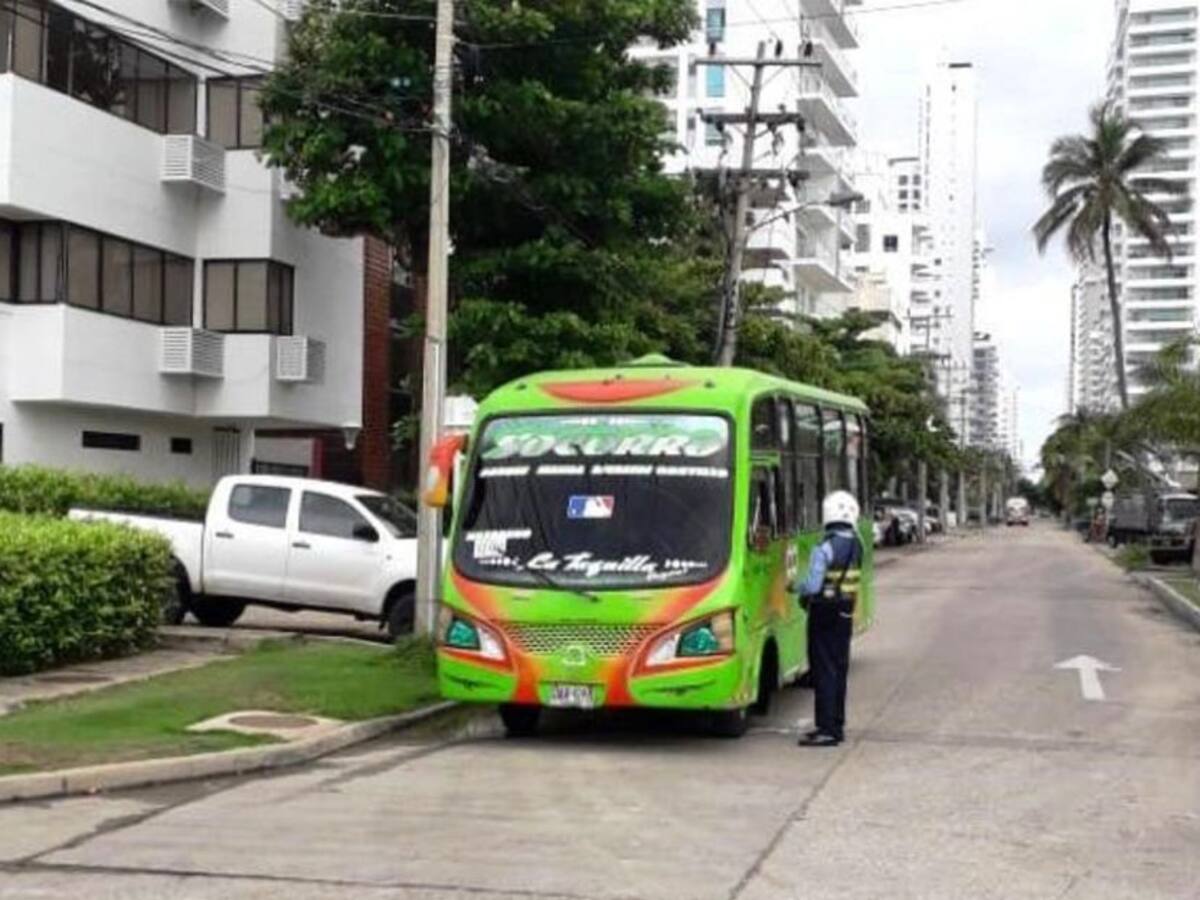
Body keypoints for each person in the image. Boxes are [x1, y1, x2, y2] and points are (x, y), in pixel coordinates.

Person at [795, 490, 863, 748]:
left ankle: (826, 730)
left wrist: (795, 587)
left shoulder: (824, 547)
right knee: (839, 668)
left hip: (824, 611)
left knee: (823, 670)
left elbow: (812, 586)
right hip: (845, 610)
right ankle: (837, 725)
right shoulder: (858, 544)